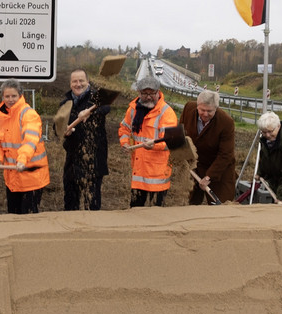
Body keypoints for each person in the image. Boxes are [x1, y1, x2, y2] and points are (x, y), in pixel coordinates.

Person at [0, 79, 50, 214]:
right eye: (7, 96)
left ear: (20, 95)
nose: (10, 100)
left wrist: (22, 160)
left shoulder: (28, 114)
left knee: (28, 217)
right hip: (12, 177)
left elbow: (30, 141)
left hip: (31, 175)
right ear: (2, 96)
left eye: (14, 96)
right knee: (13, 215)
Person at [118, 75, 178, 207]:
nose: (149, 96)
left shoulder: (166, 113)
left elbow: (172, 142)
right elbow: (124, 129)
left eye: (152, 93)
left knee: (156, 215)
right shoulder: (133, 110)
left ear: (158, 92)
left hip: (158, 175)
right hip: (139, 171)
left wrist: (154, 146)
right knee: (135, 210)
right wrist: (125, 143)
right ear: (139, 93)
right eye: (145, 93)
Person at [60, 69, 111, 211]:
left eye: (81, 81)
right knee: (70, 203)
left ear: (87, 82)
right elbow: (57, 126)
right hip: (72, 160)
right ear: (70, 84)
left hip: (93, 160)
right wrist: (65, 132)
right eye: (74, 81)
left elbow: (106, 107)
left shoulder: (95, 98)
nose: (78, 84)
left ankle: (92, 231)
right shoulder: (65, 103)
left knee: (92, 204)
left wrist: (90, 111)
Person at [180, 90, 236, 205]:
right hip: (195, 165)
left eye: (209, 111)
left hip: (218, 168)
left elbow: (225, 154)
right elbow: (181, 134)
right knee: (191, 203)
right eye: (202, 110)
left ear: (216, 108)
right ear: (197, 106)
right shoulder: (188, 109)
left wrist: (209, 177)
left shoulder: (226, 122)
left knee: (221, 205)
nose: (205, 114)